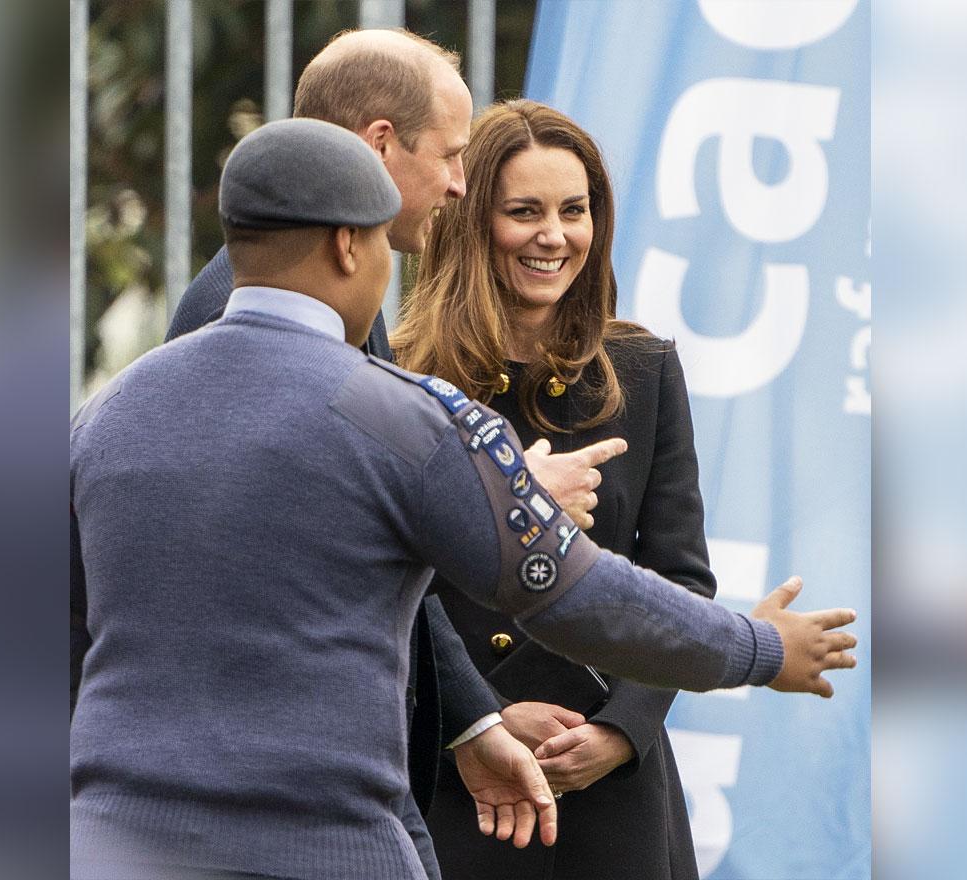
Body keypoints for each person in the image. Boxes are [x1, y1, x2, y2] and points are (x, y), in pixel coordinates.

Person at [70, 118, 857, 880]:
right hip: (326, 842)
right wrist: (761, 648)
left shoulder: (108, 412)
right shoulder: (398, 414)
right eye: (385, 240)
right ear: (350, 244)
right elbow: (580, 590)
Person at [154, 28, 625, 875]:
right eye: (451, 156)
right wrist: (506, 496)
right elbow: (318, 554)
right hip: (289, 804)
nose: (456, 182)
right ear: (378, 146)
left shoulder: (334, 296)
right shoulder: (241, 314)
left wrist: (472, 725)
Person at [391, 100, 767, 878]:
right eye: (523, 212)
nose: (554, 236)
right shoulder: (401, 378)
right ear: (469, 223)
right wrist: (479, 717)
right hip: (458, 789)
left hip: (613, 806)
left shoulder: (645, 368)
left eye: (574, 210)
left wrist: (620, 732)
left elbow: (682, 579)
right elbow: (393, 586)